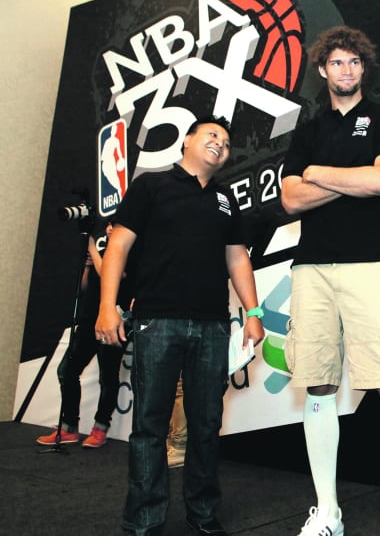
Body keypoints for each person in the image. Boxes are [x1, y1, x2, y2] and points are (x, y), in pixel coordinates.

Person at [280, 26, 380, 536]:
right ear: (322, 69)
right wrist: (357, 179)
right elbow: (290, 199)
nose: (346, 70)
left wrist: (318, 174)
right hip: (311, 269)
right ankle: (328, 513)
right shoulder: (308, 129)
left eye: (354, 62)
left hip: (370, 264)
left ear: (364, 68)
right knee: (318, 384)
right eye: (337, 62)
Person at [96, 115, 265, 536]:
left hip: (212, 327)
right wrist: (106, 306)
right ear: (187, 141)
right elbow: (118, 244)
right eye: (212, 135)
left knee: (205, 425)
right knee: (149, 427)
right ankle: (144, 520)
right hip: (157, 321)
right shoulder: (151, 185)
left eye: (226, 141)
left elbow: (237, 257)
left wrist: (253, 313)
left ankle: (203, 513)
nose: (220, 143)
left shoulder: (226, 199)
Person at [36, 219, 127, 449]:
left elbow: (108, 274)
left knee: (107, 377)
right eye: (108, 225)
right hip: (88, 322)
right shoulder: (102, 254)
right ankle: (69, 427)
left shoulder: (124, 254)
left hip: (111, 323)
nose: (109, 229)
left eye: (115, 226)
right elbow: (86, 288)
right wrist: (87, 266)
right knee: (67, 370)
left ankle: (100, 428)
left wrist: (92, 249)